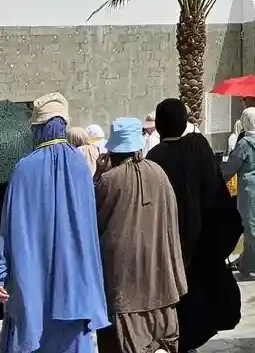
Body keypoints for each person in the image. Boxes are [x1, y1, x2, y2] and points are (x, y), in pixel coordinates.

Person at [0, 94, 110, 353]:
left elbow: (8, 226)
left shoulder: (24, 168)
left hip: (31, 277)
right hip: (74, 280)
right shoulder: (80, 166)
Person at [146, 98, 241, 351]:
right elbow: (217, 193)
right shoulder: (199, 147)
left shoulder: (155, 157)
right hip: (203, 243)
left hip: (172, 247)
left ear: (159, 124)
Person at [96, 116, 187, 353]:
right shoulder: (158, 172)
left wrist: (97, 175)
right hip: (161, 280)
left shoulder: (108, 180)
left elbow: (93, 221)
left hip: (124, 282)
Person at [219, 107, 255, 279]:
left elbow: (231, 166)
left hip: (250, 190)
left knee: (253, 228)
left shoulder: (245, 143)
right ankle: (247, 263)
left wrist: (218, 176)